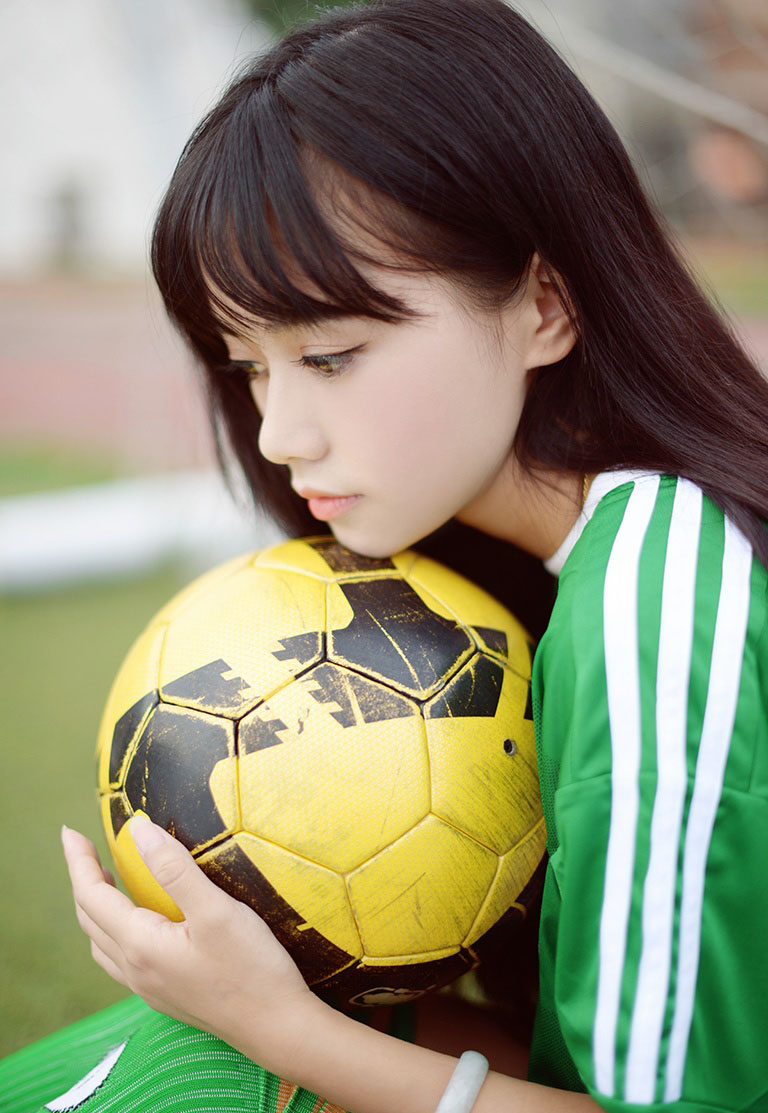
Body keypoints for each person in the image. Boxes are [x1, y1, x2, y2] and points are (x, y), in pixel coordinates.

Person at [58, 0, 768, 1110]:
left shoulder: (660, 606)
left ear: (543, 304)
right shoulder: (549, 571)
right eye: (248, 366)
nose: (279, 434)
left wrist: (276, 1024)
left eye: (330, 355)